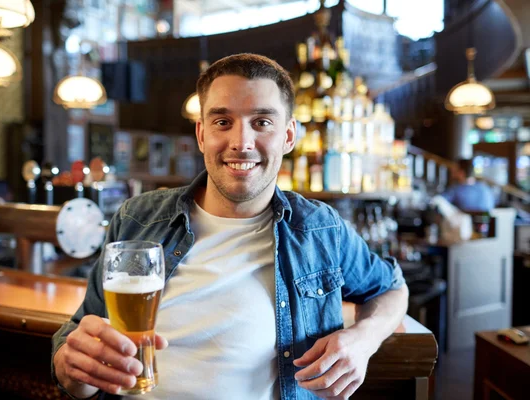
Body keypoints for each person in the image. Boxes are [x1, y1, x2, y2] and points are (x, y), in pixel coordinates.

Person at [51, 53, 408, 400]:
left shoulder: (319, 229)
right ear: (202, 134)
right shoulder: (138, 218)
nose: (241, 143)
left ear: (288, 136)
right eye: (223, 122)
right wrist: (73, 369)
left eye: (262, 122)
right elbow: (80, 345)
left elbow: (392, 288)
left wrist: (364, 339)